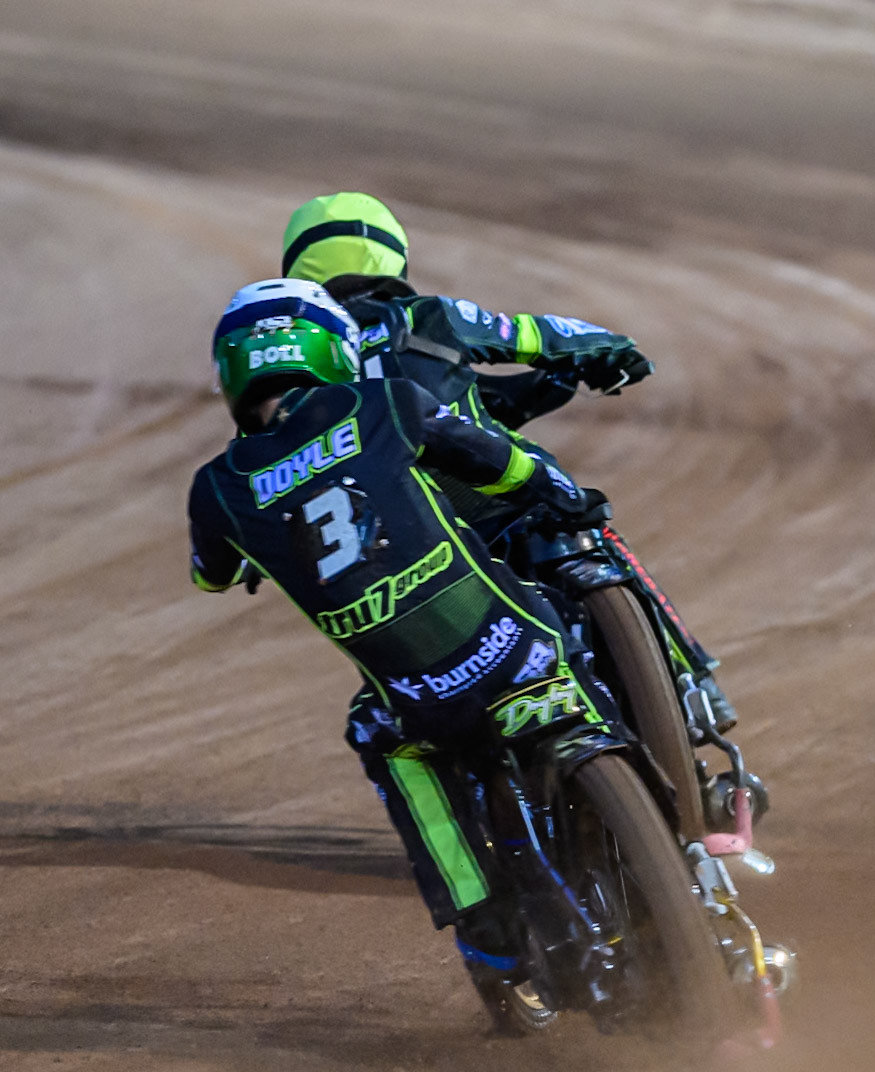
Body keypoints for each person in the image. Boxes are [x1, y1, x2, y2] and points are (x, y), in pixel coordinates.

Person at [188, 277, 611, 993]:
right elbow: (503, 464)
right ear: (332, 349)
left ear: (232, 370)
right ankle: (674, 826)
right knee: (572, 619)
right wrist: (565, 496)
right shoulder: (379, 401)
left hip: (419, 700)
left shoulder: (219, 485)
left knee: (382, 741)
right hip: (517, 644)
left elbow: (212, 575)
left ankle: (488, 933)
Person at [281, 191, 736, 732]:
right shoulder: (428, 316)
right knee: (595, 533)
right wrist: (611, 349)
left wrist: (554, 387)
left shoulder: (301, 366)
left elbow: (454, 415)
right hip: (503, 497)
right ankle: (693, 682)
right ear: (393, 257)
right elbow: (537, 340)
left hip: (407, 550)